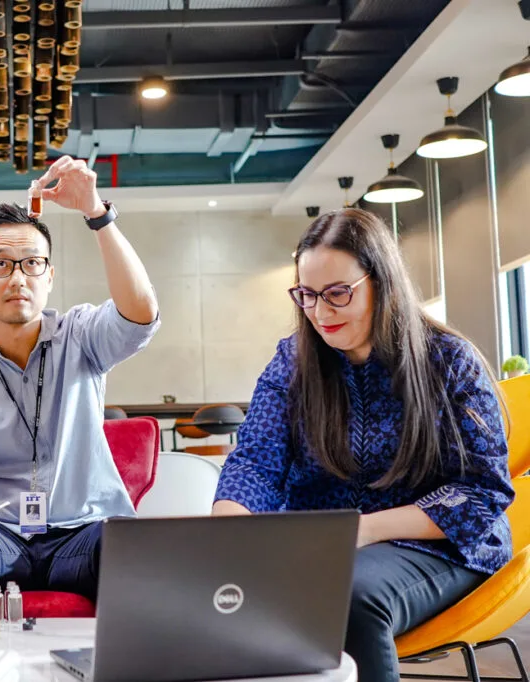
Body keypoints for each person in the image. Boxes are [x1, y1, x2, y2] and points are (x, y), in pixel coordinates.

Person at [213, 208, 514, 682]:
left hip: (441, 544)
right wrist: (226, 532)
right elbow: (256, 462)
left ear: (383, 282)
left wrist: (364, 530)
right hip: (325, 545)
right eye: (307, 295)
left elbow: (481, 492)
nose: (320, 312)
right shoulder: (293, 361)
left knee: (350, 595)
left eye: (337, 294)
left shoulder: (449, 361)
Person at [0, 155, 160, 624]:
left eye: (32, 264)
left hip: (82, 532)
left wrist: (96, 213)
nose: (18, 277)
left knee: (129, 543)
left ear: (49, 276)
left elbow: (140, 314)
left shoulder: (81, 336)